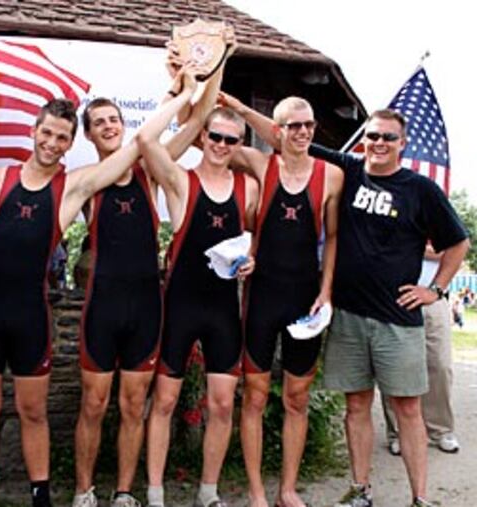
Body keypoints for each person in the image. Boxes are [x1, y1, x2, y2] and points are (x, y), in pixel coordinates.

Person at [0, 71, 199, 507]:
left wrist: (188, 91)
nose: (51, 143)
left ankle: (61, 494)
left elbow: (143, 143)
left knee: (44, 409)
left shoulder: (77, 184)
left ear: (72, 144)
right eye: (46, 133)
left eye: (60, 137)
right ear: (34, 132)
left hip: (51, 311)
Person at [247, 108, 467, 507]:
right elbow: (283, 135)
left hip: (397, 319)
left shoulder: (420, 189)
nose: (378, 144)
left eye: (387, 137)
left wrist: (434, 289)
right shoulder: (349, 169)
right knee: (357, 405)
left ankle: (420, 497)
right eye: (373, 136)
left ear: (403, 143)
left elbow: (458, 242)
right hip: (347, 313)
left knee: (407, 408)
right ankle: (360, 489)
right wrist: (239, 108)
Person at [72, 68, 223, 507]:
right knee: (94, 405)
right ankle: (84, 492)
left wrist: (210, 71)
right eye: (98, 122)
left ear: (123, 125)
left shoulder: (148, 172)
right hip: (101, 305)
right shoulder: (89, 179)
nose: (108, 126)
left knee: (133, 405)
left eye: (113, 119)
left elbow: (194, 125)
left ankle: (123, 492)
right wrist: (180, 93)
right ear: (89, 134)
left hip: (145, 306)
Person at [220, 94, 343, 507]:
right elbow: (211, 142)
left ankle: (286, 490)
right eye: (294, 126)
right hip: (261, 298)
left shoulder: (331, 175)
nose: (304, 132)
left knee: (297, 398)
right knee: (253, 397)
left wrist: (326, 291)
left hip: (304, 298)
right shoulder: (261, 164)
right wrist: (226, 103)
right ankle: (257, 490)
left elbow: (334, 238)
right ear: (278, 131)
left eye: (308, 125)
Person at [138, 103, 259, 507]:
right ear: (203, 137)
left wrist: (252, 258)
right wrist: (193, 102)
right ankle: (155, 492)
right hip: (181, 305)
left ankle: (208, 491)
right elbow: (145, 143)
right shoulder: (180, 181)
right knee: (166, 401)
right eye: (215, 136)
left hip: (223, 310)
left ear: (240, 145)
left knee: (223, 404)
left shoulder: (248, 188)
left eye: (231, 140)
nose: (222, 145)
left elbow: (257, 235)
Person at [382, 245, 460, 458]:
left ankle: (440, 430)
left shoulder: (438, 213)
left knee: (440, 365)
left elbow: (452, 249)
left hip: (433, 296)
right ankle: (397, 433)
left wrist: (412, 245)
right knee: (394, 366)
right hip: (395, 297)